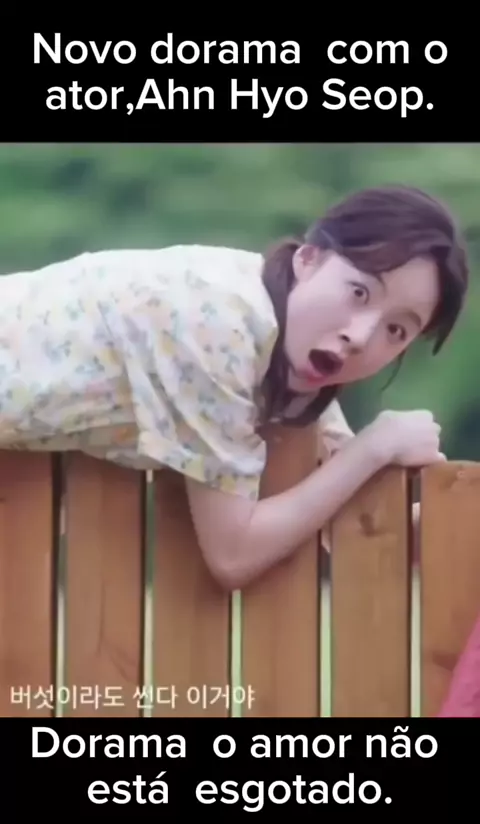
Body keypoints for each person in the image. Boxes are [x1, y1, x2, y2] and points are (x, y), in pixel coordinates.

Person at [0, 184, 468, 588]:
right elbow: (233, 554)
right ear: (308, 259)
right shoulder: (219, 327)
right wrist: (376, 446)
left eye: (396, 330)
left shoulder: (277, 337)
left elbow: (334, 495)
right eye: (359, 292)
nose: (361, 335)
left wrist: (429, 522)